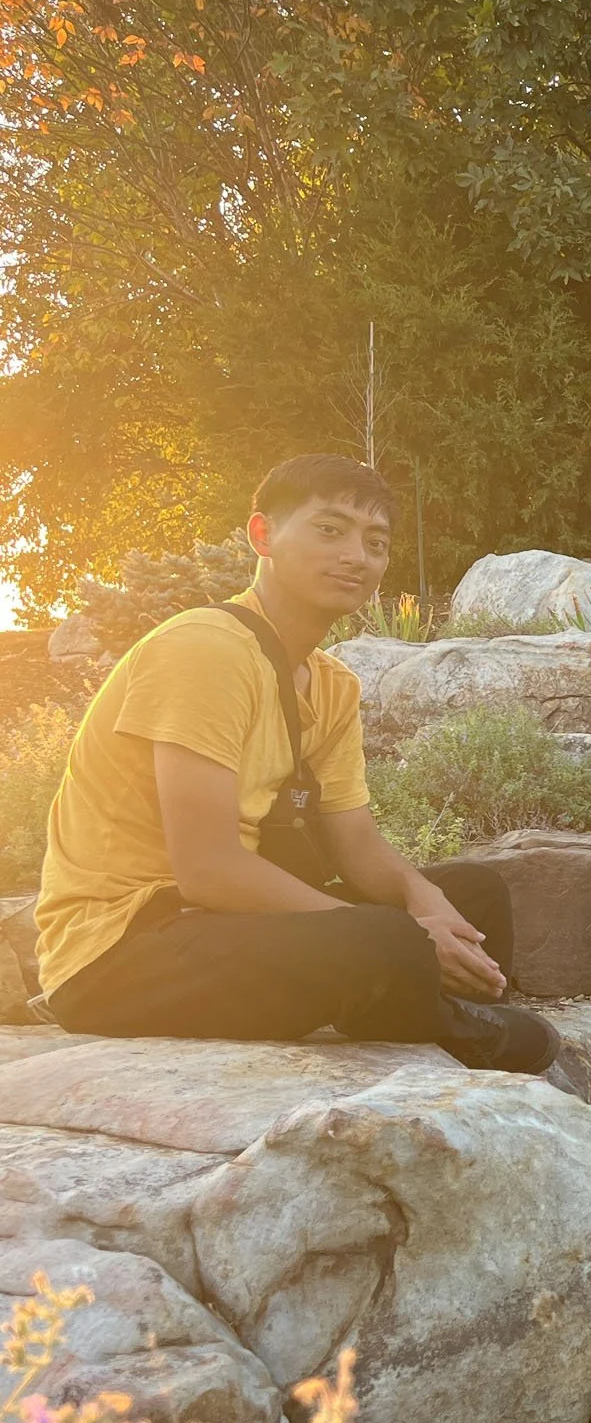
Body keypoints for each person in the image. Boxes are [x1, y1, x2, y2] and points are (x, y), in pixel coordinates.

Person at [34, 454, 559, 1070]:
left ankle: (415, 1003)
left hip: (218, 924)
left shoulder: (332, 684)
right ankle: (440, 1019)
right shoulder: (203, 648)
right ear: (263, 535)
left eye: (375, 543)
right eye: (329, 530)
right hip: (123, 950)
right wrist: (407, 937)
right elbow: (206, 869)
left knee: (472, 892)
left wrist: (425, 900)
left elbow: (355, 843)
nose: (356, 556)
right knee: (382, 937)